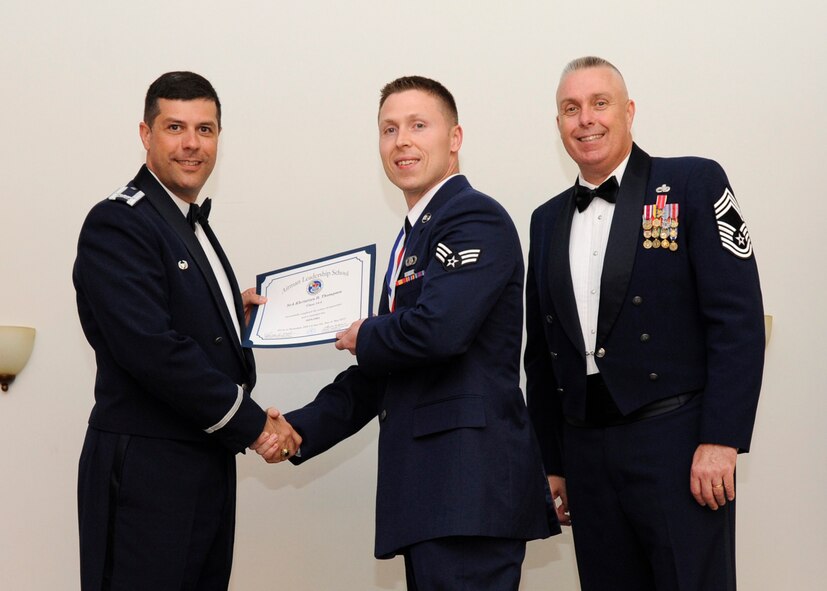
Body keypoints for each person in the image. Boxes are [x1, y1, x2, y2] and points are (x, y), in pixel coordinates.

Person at [254, 76, 559, 589]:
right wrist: (297, 430)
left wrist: (364, 334)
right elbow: (382, 372)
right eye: (389, 129)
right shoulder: (413, 238)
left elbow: (441, 329)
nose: (402, 141)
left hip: (468, 491)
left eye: (419, 125)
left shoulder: (473, 216)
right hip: (433, 498)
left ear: (455, 138)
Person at [524, 56, 765, 591]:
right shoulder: (544, 220)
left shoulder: (692, 182)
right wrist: (552, 461)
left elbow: (737, 320)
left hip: (677, 444)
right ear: (558, 123)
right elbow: (541, 354)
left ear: (628, 111)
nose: (586, 119)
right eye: (571, 109)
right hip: (585, 453)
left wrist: (721, 439)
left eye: (600, 103)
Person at [73, 71, 300, 590]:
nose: (192, 144)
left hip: (202, 460)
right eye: (175, 127)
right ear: (145, 133)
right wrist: (255, 425)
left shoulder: (183, 220)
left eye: (205, 129)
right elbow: (151, 348)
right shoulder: (119, 221)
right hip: (148, 470)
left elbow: (174, 315)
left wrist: (229, 314)